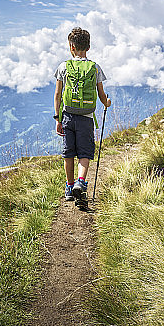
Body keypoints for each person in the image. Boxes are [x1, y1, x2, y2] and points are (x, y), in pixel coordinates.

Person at [53, 27, 111, 206]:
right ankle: (81, 182)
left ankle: (69, 187)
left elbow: (57, 95)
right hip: (86, 117)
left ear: (71, 47)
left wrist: (58, 118)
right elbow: (101, 94)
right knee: (84, 153)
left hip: (68, 116)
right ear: (89, 47)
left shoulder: (63, 67)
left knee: (68, 153)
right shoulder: (95, 68)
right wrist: (107, 103)